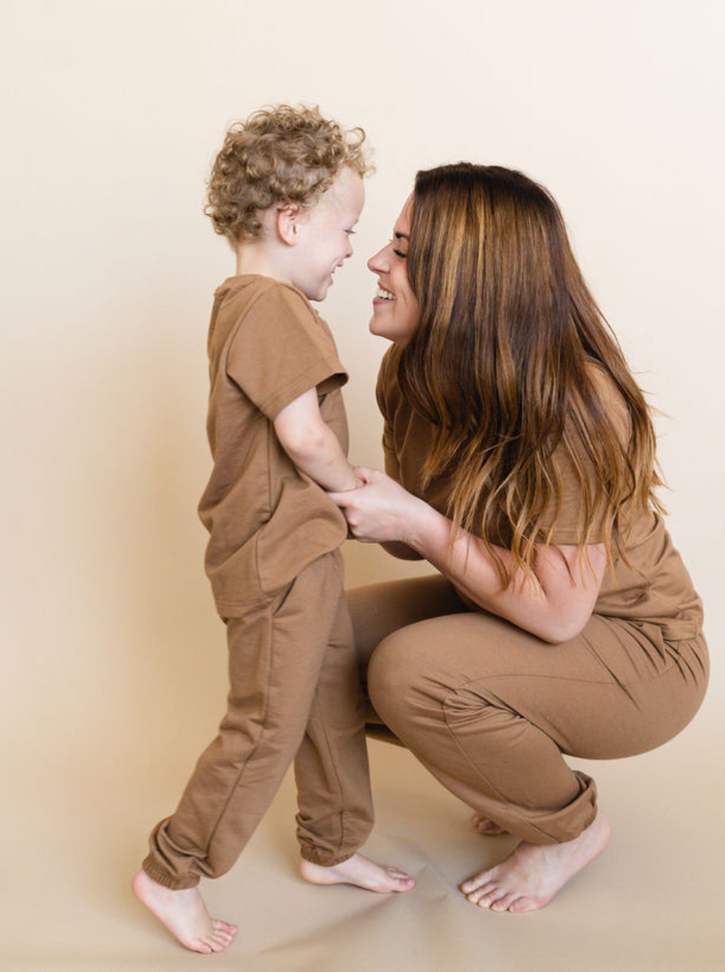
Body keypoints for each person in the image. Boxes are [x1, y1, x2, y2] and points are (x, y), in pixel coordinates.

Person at [329, 163, 708, 914]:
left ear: (467, 277)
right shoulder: (412, 371)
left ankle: (565, 829)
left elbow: (561, 613)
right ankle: (509, 776)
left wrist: (418, 521)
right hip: (514, 607)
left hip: (639, 646)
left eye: (403, 249)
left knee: (414, 672)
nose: (375, 261)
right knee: (314, 637)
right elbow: (417, 543)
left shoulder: (574, 406)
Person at [132, 105, 413, 956]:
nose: (351, 253)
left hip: (308, 550)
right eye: (346, 230)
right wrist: (352, 486)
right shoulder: (269, 305)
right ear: (291, 223)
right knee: (265, 719)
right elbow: (300, 432)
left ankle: (331, 846)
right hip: (276, 557)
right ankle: (172, 869)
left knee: (329, 696)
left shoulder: (252, 304)